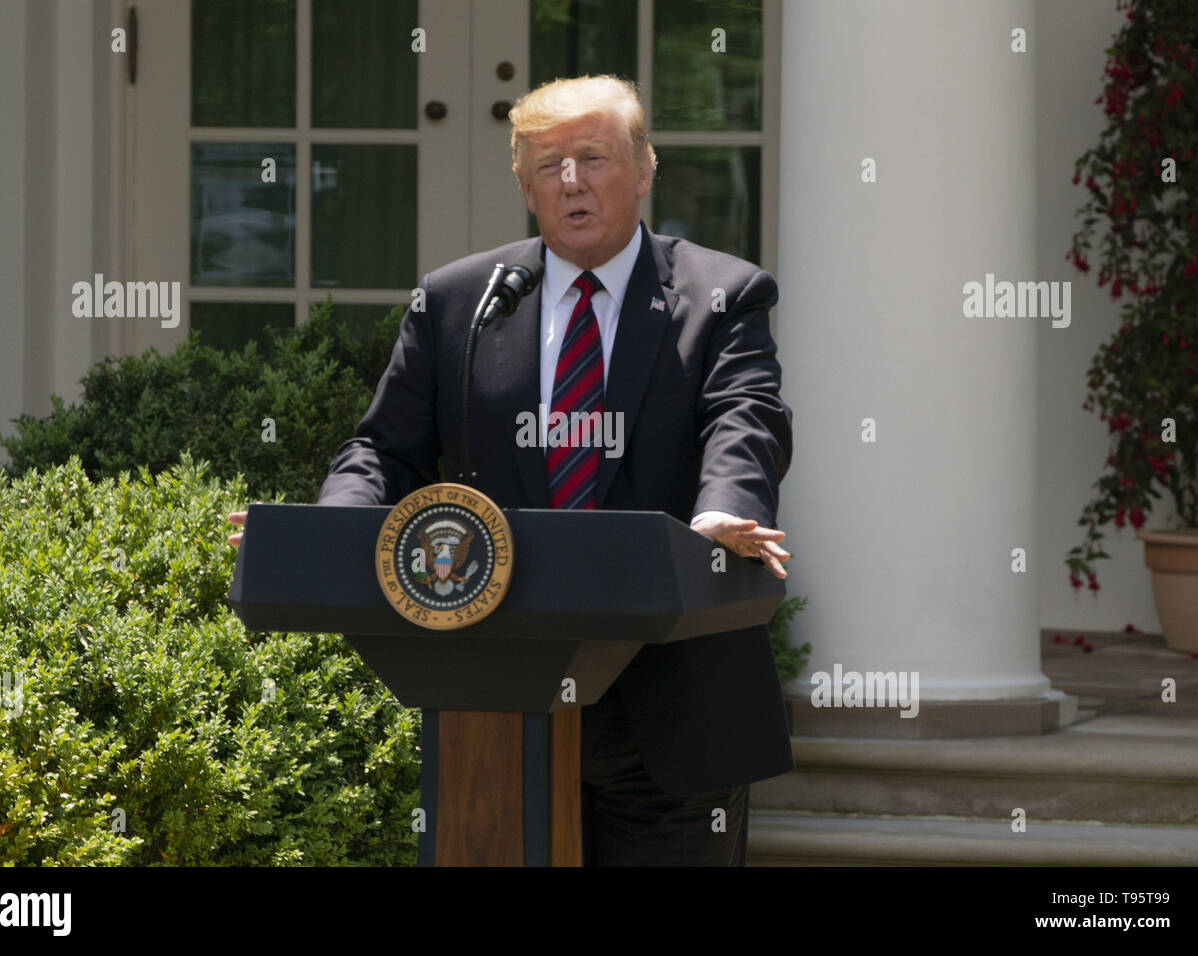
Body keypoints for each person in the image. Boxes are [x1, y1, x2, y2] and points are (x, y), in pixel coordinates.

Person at [229, 74, 793, 866]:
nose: (571, 183)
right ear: (526, 187)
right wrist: (329, 526)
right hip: (495, 697)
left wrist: (717, 515)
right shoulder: (462, 300)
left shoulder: (721, 294)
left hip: (671, 701)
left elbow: (746, 420)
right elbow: (383, 450)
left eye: (592, 159)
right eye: (547, 167)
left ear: (644, 167)